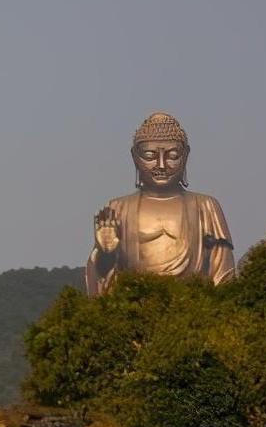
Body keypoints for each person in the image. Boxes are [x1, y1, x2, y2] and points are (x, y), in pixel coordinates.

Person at [85, 112, 236, 296]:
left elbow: (224, 277)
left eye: (173, 155)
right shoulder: (118, 209)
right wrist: (105, 254)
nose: (162, 165)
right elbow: (101, 282)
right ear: (134, 157)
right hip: (136, 306)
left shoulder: (205, 206)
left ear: (186, 155)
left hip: (193, 305)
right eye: (150, 156)